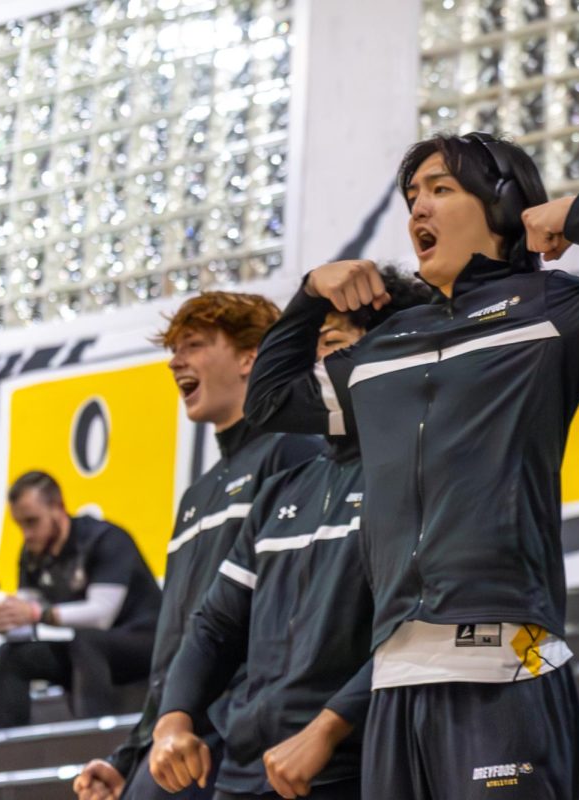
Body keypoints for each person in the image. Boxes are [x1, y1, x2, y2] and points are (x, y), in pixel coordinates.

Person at [244, 131, 579, 798]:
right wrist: (309, 295)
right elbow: (264, 404)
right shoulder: (382, 349)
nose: (418, 212)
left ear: (501, 206)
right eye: (412, 197)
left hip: (509, 661)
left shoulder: (548, 310)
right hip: (394, 679)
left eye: (441, 189)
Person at [147, 270, 430, 800]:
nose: (314, 365)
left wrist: (328, 728)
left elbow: (422, 623)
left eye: (334, 345)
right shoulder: (283, 489)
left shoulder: (420, 472)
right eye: (313, 348)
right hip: (244, 773)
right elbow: (213, 627)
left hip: (350, 767)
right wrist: (171, 722)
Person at [73, 293, 324, 800]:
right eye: (174, 348)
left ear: (250, 358)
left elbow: (300, 613)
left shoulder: (295, 452)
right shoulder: (197, 494)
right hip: (183, 738)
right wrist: (133, 752)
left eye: (193, 345)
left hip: (244, 738)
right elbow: (175, 648)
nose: (175, 361)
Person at [0, 472, 161, 728]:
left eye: (32, 522)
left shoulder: (105, 539)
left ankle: (91, 747)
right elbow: (25, 622)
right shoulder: (32, 555)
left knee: (86, 642)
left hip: (148, 644)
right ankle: (7, 755)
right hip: (89, 654)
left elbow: (101, 615)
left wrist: (35, 613)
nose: (26, 534)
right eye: (20, 525)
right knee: (12, 656)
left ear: (58, 507)